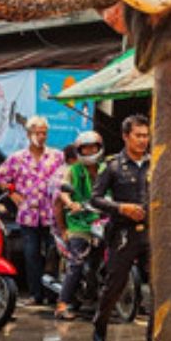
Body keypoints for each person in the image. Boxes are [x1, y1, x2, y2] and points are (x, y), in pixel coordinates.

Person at [90, 113, 151, 341]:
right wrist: (121, 208)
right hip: (123, 233)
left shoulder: (155, 164)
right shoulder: (113, 166)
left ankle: (153, 337)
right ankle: (100, 324)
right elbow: (95, 199)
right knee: (115, 283)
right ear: (126, 137)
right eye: (138, 135)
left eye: (146, 136)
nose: (143, 140)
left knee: (158, 284)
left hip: (151, 232)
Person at [0, 116, 66, 306]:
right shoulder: (17, 158)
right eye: (37, 132)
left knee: (53, 252)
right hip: (28, 214)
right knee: (31, 253)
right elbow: (0, 177)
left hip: (51, 213)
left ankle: (52, 293)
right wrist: (13, 194)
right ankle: (36, 294)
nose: (41, 136)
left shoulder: (57, 156)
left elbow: (66, 178)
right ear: (28, 134)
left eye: (44, 133)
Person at [54, 130, 106, 321]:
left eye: (93, 147)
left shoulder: (106, 169)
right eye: (85, 148)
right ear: (79, 151)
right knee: (77, 263)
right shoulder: (73, 170)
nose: (90, 151)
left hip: (102, 219)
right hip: (78, 223)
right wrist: (70, 203)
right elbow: (63, 191)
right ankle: (62, 304)